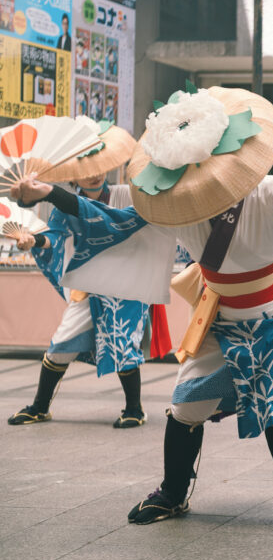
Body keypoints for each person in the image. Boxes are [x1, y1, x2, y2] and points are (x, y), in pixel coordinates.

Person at [12, 85, 273, 534]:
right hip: (221, 315)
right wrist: (49, 194)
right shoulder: (176, 203)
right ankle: (173, 493)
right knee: (185, 405)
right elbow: (114, 222)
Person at [8, 119, 169, 428]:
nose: (95, 173)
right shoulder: (62, 206)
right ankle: (40, 406)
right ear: (74, 173)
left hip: (125, 286)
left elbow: (118, 222)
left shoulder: (127, 195)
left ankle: (134, 408)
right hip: (88, 285)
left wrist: (51, 194)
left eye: (100, 166)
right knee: (61, 341)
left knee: (124, 343)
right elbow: (53, 238)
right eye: (86, 167)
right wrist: (34, 240)